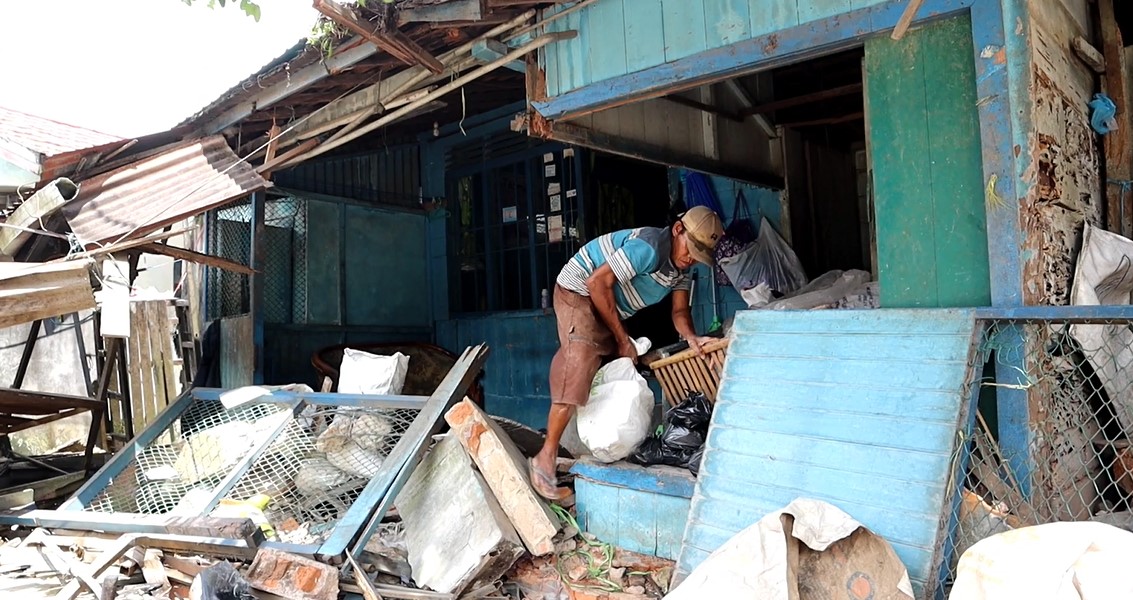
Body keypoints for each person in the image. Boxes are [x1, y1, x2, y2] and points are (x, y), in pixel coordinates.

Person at [528, 206, 724, 500]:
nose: (690, 258)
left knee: (607, 369)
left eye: (698, 255)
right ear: (677, 230)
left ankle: (577, 453)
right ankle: (544, 457)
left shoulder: (680, 269)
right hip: (578, 290)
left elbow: (680, 311)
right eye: (691, 249)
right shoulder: (648, 248)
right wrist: (622, 339)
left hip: (606, 302)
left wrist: (693, 338)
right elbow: (596, 282)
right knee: (579, 357)